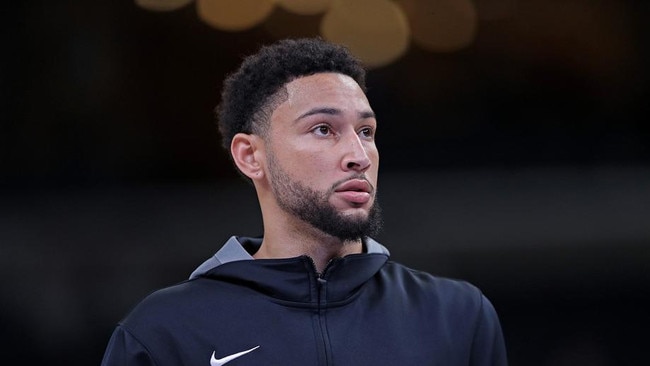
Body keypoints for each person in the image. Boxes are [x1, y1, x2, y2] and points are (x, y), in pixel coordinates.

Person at [101, 38, 508, 366]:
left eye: (366, 131)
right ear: (250, 156)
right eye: (323, 129)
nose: (358, 155)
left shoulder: (457, 316)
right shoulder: (164, 332)